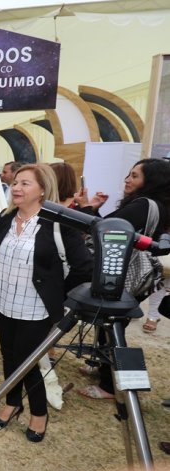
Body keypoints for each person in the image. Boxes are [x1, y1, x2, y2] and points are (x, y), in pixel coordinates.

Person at [0, 164, 92, 442]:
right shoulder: (6, 217)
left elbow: (84, 267)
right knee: (9, 355)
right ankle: (12, 402)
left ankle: (39, 413)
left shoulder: (59, 224)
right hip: (2, 299)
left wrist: (59, 294)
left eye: (25, 183)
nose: (16, 188)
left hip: (36, 308)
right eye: (15, 183)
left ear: (43, 189)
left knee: (28, 361)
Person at [74, 158, 170, 399]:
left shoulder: (143, 205)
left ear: (152, 180)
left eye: (135, 176)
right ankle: (100, 366)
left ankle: (109, 385)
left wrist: (87, 207)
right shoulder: (154, 204)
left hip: (123, 275)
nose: (128, 179)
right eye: (129, 174)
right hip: (133, 275)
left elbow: (105, 228)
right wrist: (94, 208)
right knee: (109, 324)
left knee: (114, 327)